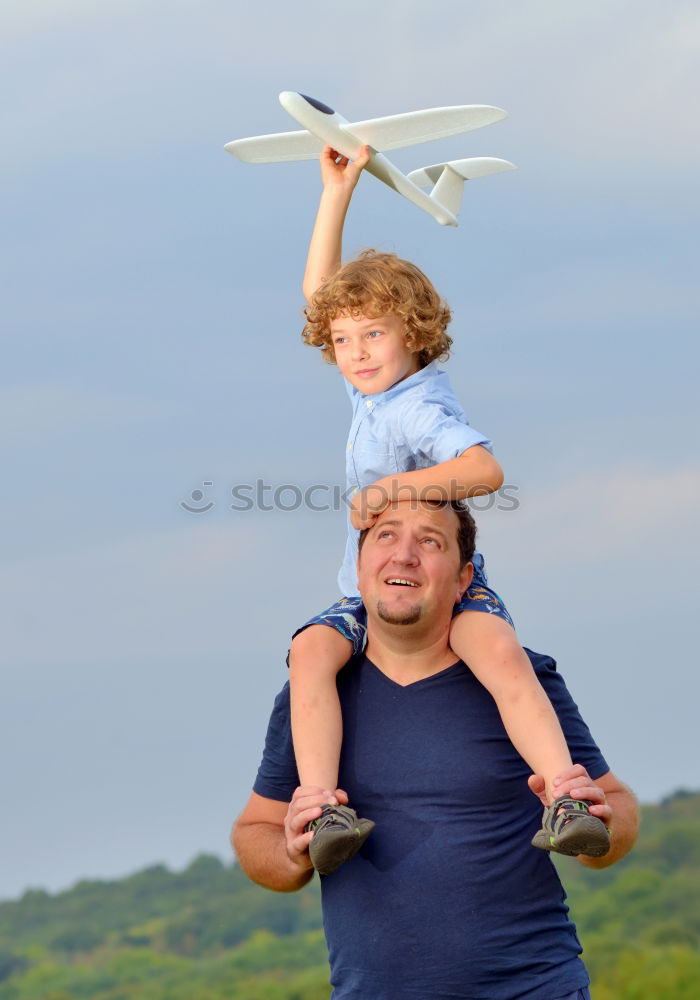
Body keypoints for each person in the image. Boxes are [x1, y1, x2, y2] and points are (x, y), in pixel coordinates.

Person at [287, 145, 609, 874]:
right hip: (367, 593)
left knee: (495, 651)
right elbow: (320, 297)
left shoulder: (420, 404)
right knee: (310, 653)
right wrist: (335, 192)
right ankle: (322, 808)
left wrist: (393, 492)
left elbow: (485, 469)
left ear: (415, 333)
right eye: (342, 340)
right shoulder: (370, 388)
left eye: (373, 334)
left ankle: (565, 795)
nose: (355, 351)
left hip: (441, 580)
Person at [233, 499, 640, 1000]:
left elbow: (615, 806)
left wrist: (603, 824)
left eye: (430, 541)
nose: (404, 555)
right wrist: (291, 851)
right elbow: (256, 832)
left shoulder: (522, 681)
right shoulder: (313, 696)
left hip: (535, 988)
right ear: (357, 570)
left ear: (465, 576)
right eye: (385, 536)